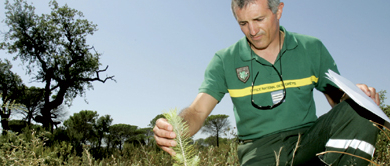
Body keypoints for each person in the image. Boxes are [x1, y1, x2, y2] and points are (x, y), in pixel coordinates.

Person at [153, 0, 383, 165]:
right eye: (242, 23)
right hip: (259, 150)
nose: (252, 31)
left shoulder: (312, 48)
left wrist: (358, 98)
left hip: (309, 139)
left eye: (259, 19)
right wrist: (177, 127)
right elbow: (196, 111)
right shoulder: (224, 60)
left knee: (359, 111)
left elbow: (338, 103)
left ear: (279, 10)